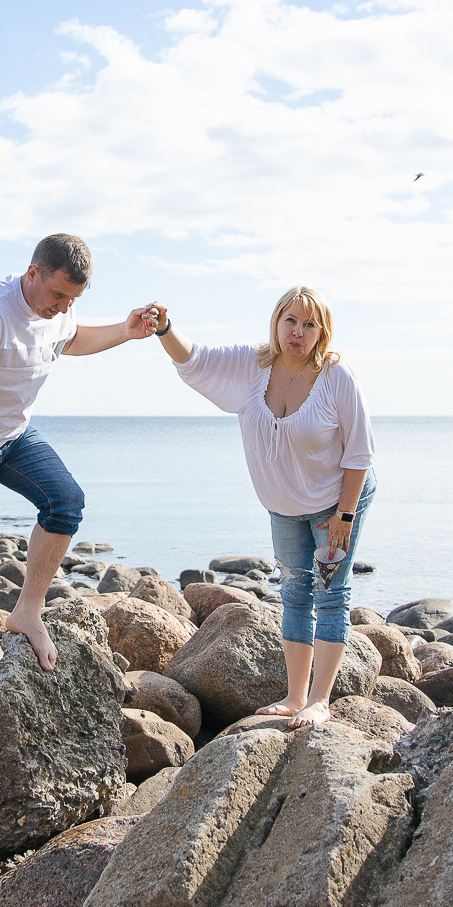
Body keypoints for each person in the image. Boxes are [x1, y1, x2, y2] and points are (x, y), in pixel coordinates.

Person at [0, 233, 159, 689]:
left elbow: (71, 339)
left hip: (11, 437)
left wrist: (126, 331)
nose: (64, 307)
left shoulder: (58, 310)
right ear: (33, 273)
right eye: (58, 295)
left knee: (65, 502)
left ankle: (27, 610)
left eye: (73, 299)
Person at [146, 287, 374, 728]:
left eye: (310, 325)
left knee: (330, 594)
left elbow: (360, 453)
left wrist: (345, 515)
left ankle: (319, 700)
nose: (298, 332)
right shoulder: (253, 364)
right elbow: (196, 359)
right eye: (291, 320)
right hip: (284, 507)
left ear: (322, 332)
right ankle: (293, 697)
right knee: (293, 592)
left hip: (336, 504)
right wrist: (165, 329)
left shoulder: (336, 377)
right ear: (276, 321)